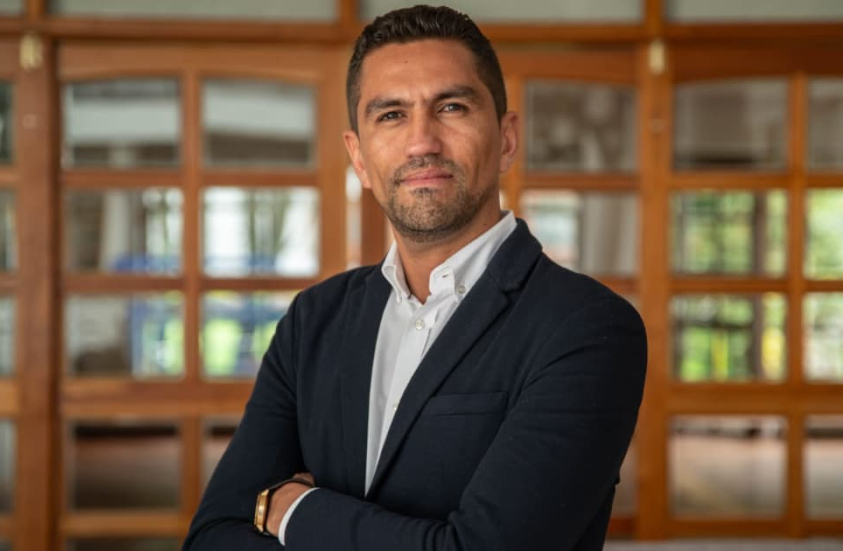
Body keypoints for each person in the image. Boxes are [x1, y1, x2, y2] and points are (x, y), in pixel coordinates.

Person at [182, 5, 646, 550]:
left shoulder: (588, 329)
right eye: (391, 115)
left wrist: (293, 510)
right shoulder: (315, 319)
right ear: (359, 157)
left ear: (506, 139)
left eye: (451, 107)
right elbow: (212, 538)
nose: (422, 142)